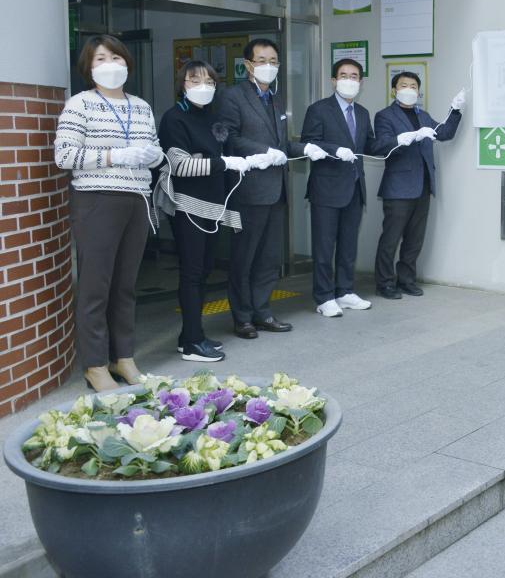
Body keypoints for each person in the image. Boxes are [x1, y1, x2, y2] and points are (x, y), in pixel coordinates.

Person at [54, 34, 164, 391]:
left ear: (127, 63)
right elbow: (64, 156)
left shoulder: (141, 106)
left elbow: (156, 150)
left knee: (126, 285)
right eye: (100, 59)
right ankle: (95, 365)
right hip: (97, 199)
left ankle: (123, 357)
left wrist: (153, 156)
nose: (110, 65)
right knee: (96, 286)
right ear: (88, 67)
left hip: (137, 199)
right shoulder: (80, 104)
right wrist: (115, 156)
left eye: (116, 57)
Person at [155, 61, 260, 362]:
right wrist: (219, 163)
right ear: (182, 84)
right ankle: (192, 343)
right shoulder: (174, 118)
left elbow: (214, 156)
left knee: (203, 272)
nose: (203, 86)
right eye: (194, 80)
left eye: (209, 81)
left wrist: (211, 161)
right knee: (191, 273)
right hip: (187, 205)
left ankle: (190, 334)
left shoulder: (213, 118)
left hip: (213, 205)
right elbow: (181, 165)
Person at [219, 38, 318, 340]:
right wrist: (263, 151)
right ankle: (243, 317)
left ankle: (262, 312)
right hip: (248, 190)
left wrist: (306, 148)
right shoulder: (233, 96)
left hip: (276, 190)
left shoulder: (275, 99)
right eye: (261, 60)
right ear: (247, 64)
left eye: (273, 61)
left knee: (269, 258)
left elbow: (282, 145)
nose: (268, 66)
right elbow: (228, 137)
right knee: (244, 258)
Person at [370, 72, 464, 299]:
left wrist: (455, 110)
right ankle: (385, 283)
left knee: (414, 239)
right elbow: (381, 145)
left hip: (423, 185)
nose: (409, 89)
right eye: (404, 85)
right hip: (398, 187)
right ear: (394, 90)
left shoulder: (423, 115)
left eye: (413, 86)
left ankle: (406, 280)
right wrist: (409, 137)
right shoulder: (385, 116)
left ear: (418, 91)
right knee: (391, 239)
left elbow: (444, 133)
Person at [300, 58, 377, 317]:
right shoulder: (319, 109)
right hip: (326, 189)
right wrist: (335, 150)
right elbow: (309, 143)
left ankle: (344, 291)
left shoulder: (363, 113)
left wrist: (399, 140)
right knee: (324, 247)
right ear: (334, 81)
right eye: (343, 75)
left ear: (361, 82)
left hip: (354, 188)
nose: (349, 80)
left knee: (348, 245)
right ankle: (324, 297)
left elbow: (370, 145)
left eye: (354, 76)